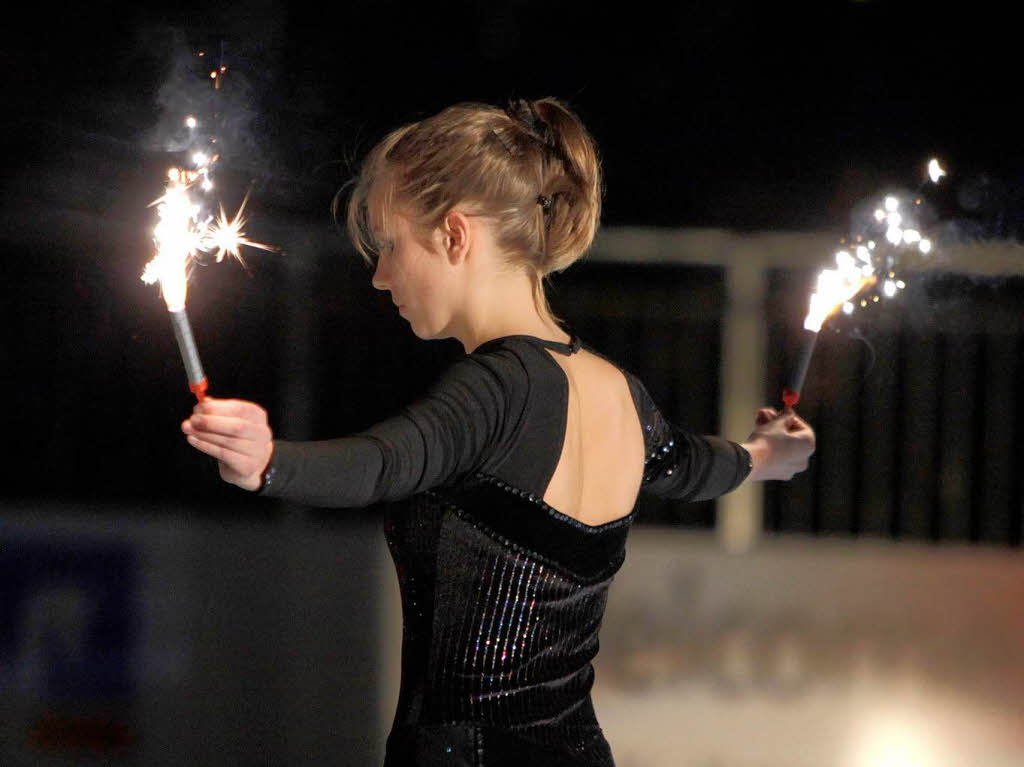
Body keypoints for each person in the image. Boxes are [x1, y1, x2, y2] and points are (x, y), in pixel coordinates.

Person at [181, 97, 815, 766]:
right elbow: (689, 464)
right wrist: (770, 453)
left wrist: (268, 462)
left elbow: (382, 462)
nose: (380, 275)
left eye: (391, 245)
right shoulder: (622, 395)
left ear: (455, 234)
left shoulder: (497, 389)